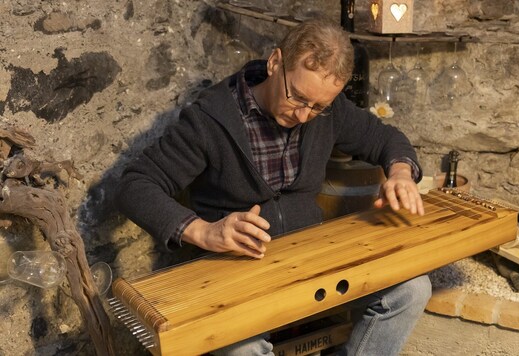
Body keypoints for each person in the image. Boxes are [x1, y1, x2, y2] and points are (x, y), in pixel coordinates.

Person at [115, 19, 431, 356]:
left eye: (318, 106)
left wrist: (399, 173)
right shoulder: (209, 119)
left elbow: (385, 138)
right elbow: (135, 186)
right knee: (242, 349)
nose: (304, 115)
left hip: (310, 261)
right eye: (298, 97)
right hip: (235, 275)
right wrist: (204, 231)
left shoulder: (329, 111)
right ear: (275, 62)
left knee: (412, 290)